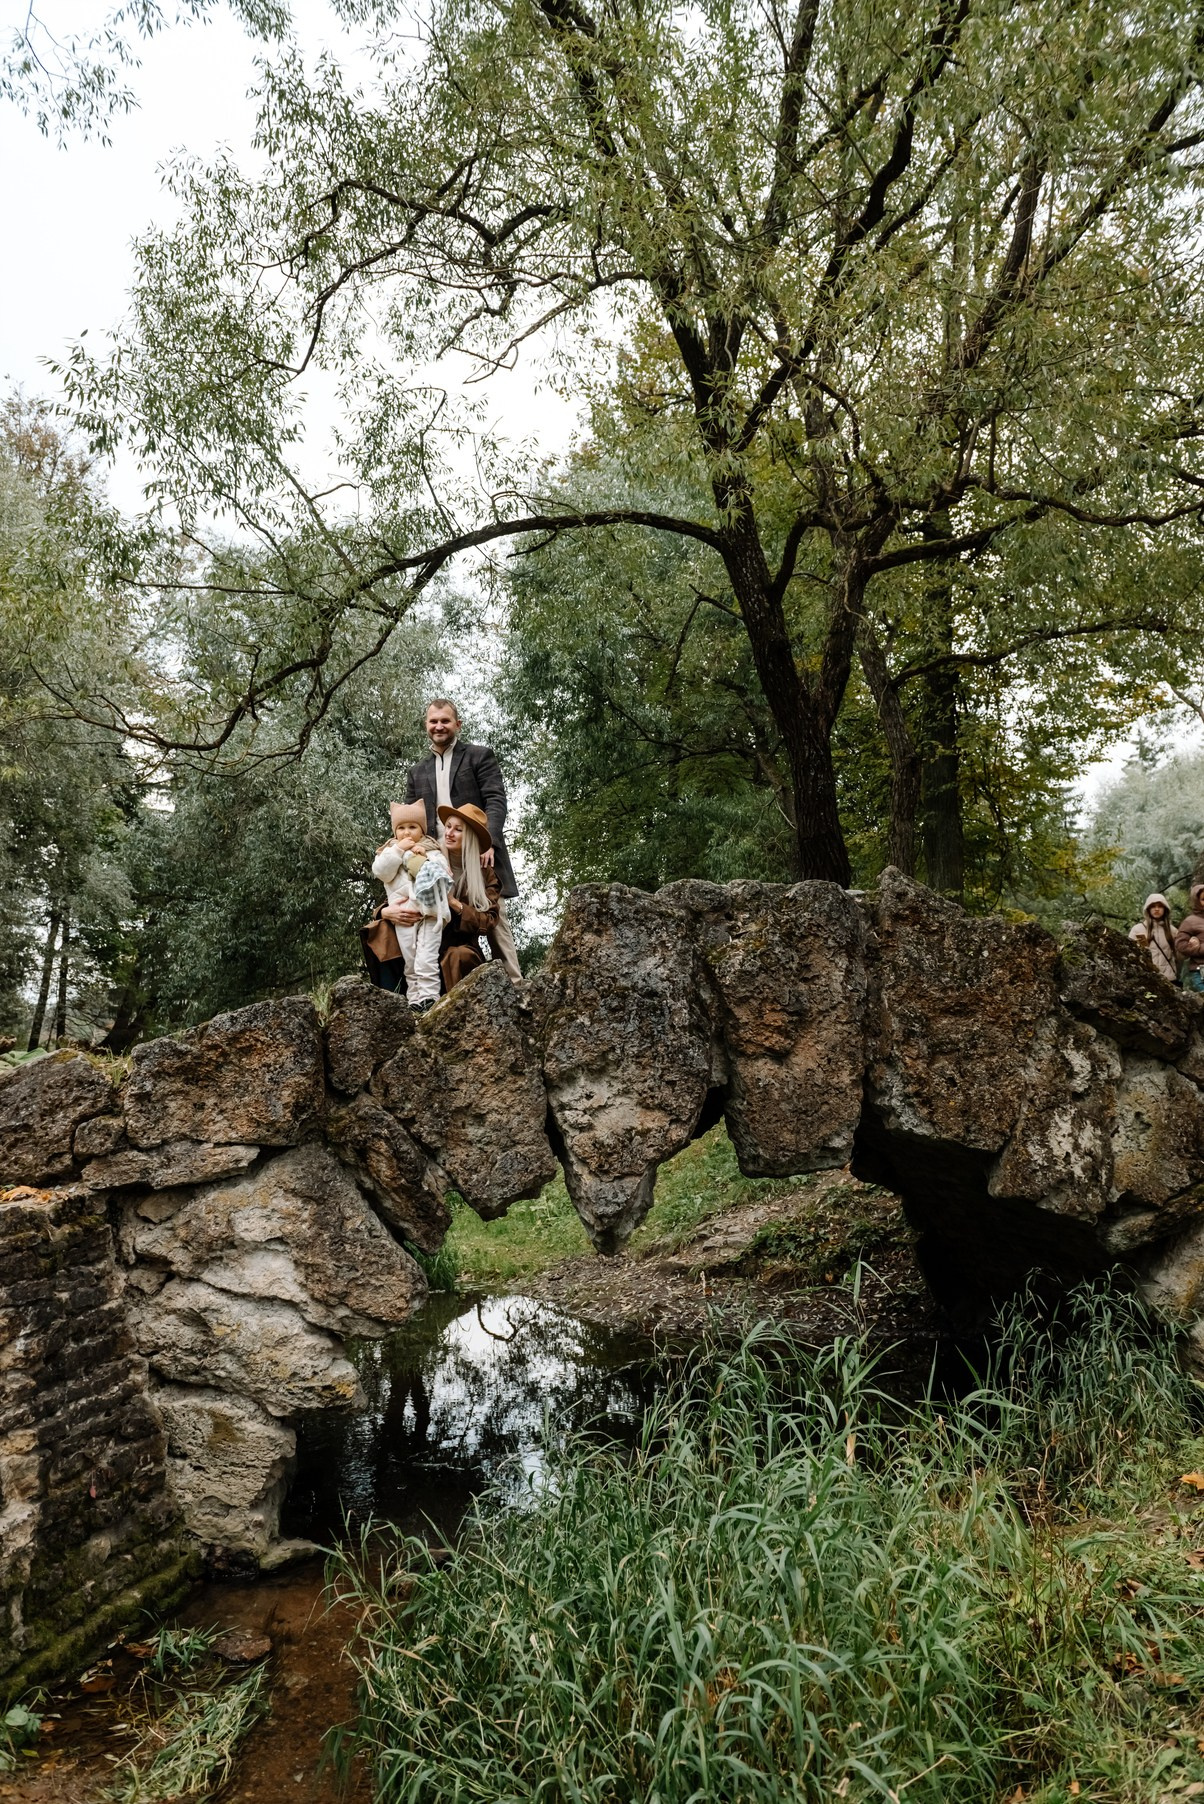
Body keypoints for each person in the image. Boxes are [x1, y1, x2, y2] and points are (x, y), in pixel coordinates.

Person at [403, 698, 523, 981]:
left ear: (457, 724)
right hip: (437, 857)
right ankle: (429, 993)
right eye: (434, 721)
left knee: (495, 921)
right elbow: (413, 819)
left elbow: (495, 799)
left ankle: (517, 987)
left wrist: (489, 842)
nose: (439, 726)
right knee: (431, 920)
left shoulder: (479, 757)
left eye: (445, 720)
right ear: (426, 726)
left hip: (478, 853)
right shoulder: (416, 772)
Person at [372, 801, 452, 1010]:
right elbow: (382, 872)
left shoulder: (432, 849)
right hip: (404, 914)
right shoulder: (388, 851)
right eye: (401, 828)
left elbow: (442, 873)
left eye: (412, 827)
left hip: (430, 914)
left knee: (427, 957)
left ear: (422, 829)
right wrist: (399, 851)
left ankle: (429, 997)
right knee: (410, 959)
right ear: (395, 831)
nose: (407, 832)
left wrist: (422, 856)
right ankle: (414, 1000)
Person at [438, 803, 502, 991]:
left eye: (458, 830)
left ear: (471, 838)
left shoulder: (485, 873)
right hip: (427, 940)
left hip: (463, 947)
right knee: (380, 932)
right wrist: (387, 910)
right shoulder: (431, 858)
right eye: (448, 826)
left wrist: (454, 903)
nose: (449, 833)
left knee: (458, 955)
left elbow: (489, 920)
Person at [1129, 892, 1179, 984]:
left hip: (1169, 978)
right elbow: (1130, 954)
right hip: (1147, 978)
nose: (1156, 909)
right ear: (1148, 909)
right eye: (1153, 906)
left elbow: (1180, 956)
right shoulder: (1138, 930)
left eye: (1160, 906)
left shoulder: (1172, 931)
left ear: (1165, 909)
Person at [1176, 883, 1204, 994]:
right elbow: (1180, 945)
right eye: (1203, 899)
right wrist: (1198, 948)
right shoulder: (1190, 921)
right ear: (1197, 901)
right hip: (1199, 972)